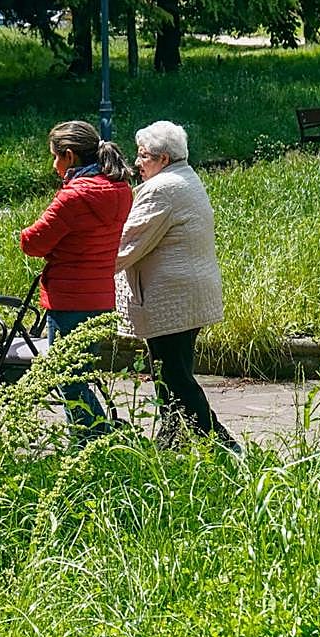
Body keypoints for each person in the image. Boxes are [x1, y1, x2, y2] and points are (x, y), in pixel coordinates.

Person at [114, 120, 239, 451]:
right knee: (168, 374)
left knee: (175, 377)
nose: (136, 163)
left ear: (162, 158)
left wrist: (89, 265)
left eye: (142, 156)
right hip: (187, 296)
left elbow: (127, 244)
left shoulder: (162, 189)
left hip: (172, 299)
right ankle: (170, 443)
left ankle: (222, 444)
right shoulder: (186, 177)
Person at [19, 120, 134, 436]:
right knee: (80, 373)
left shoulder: (72, 197)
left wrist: (24, 233)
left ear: (69, 156)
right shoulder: (122, 190)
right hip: (101, 297)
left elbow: (34, 242)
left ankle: (96, 439)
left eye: (55, 157)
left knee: (66, 376)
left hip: (69, 300)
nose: (54, 165)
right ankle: (96, 438)